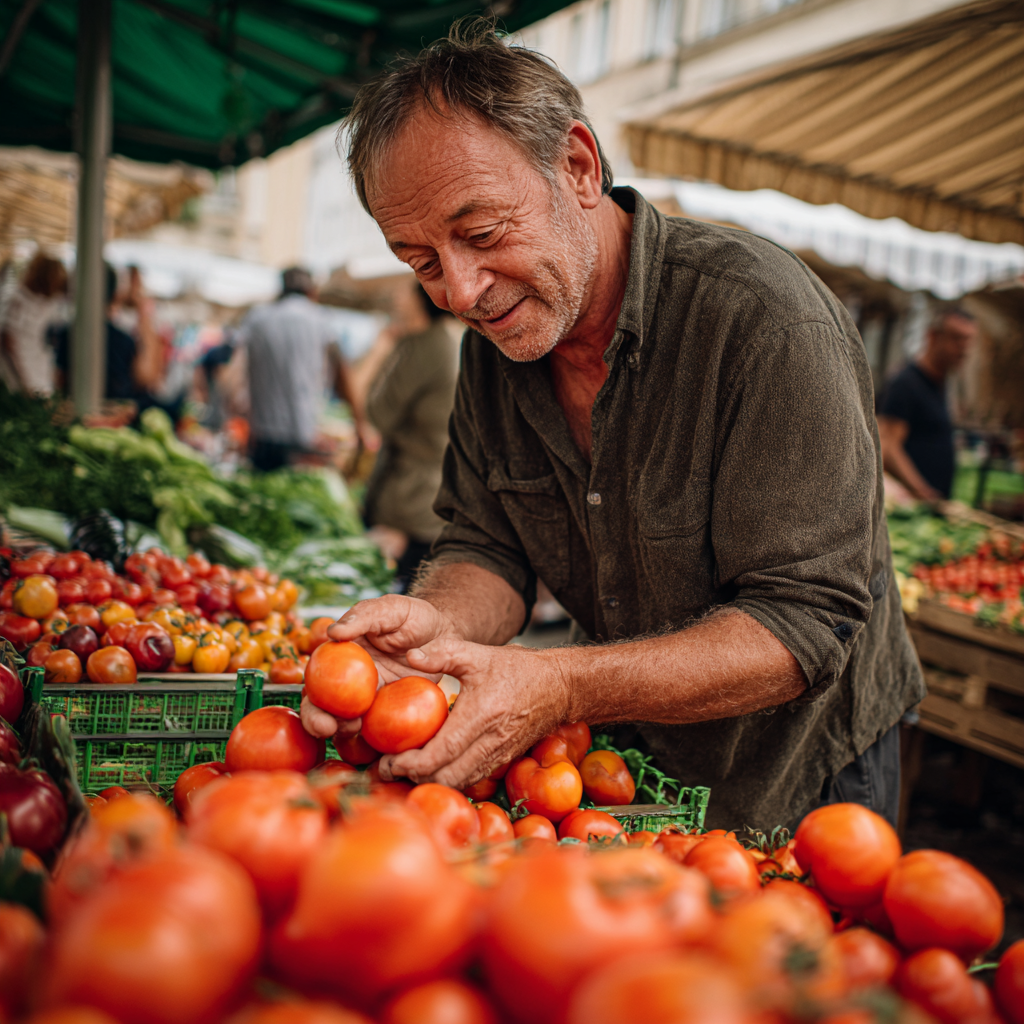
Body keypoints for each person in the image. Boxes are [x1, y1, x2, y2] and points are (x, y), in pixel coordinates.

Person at [300, 22, 924, 830]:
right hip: (627, 762)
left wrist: (563, 684)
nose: (459, 291)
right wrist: (437, 624)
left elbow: (803, 622)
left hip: (802, 771)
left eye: (482, 235)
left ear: (579, 167)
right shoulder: (496, 347)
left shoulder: (764, 322)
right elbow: (488, 545)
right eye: (420, 262)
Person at [364, 282, 460, 591]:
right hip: (426, 494)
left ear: (422, 297)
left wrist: (380, 350)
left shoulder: (428, 345)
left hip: (410, 501)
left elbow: (378, 413)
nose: (396, 295)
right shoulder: (445, 339)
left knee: (396, 596)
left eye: (404, 290)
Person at [237, 266, 360, 472]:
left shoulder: (256, 319)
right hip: (304, 435)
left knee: (263, 489)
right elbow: (341, 373)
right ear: (312, 291)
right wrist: (359, 423)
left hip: (262, 436)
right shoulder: (321, 319)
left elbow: (237, 373)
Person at [877, 308, 977, 501]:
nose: (963, 348)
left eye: (968, 340)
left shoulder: (942, 384)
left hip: (932, 503)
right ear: (932, 336)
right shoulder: (906, 383)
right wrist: (922, 491)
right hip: (909, 504)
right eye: (957, 338)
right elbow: (888, 446)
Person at [52, 263, 163, 406]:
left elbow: (60, 382)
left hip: (79, 410)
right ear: (114, 294)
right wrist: (142, 312)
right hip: (116, 413)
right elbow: (146, 377)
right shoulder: (122, 340)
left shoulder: (67, 333)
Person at [0, 253, 67, 396]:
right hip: (18, 372)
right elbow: (7, 341)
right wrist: (22, 380)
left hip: (37, 368)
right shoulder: (16, 300)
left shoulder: (48, 302)